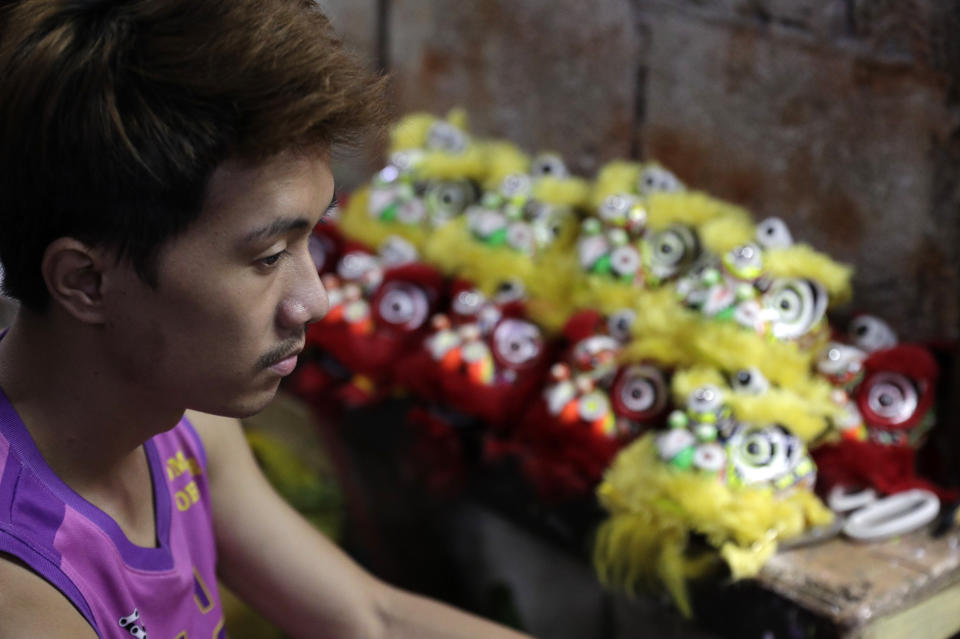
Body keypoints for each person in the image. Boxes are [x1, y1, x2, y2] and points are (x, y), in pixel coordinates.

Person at [0, 1, 533, 637]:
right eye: (270, 255)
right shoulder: (22, 590)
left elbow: (369, 618)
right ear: (86, 282)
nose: (314, 301)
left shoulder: (179, 424)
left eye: (312, 239)